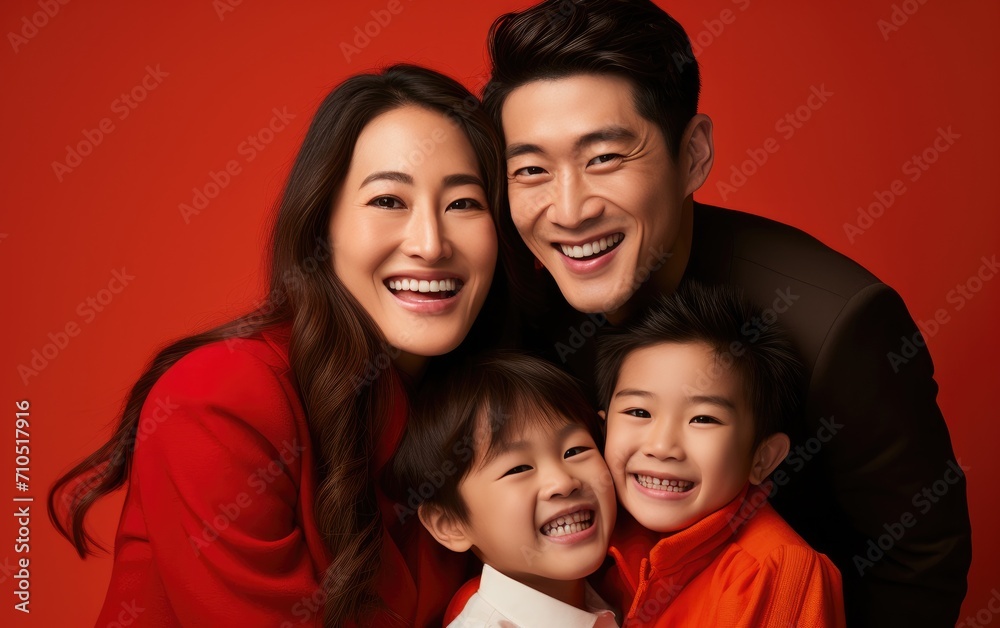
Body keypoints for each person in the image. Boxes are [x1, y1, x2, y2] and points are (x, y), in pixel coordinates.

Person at [481, 1, 971, 625]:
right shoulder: (512, 291)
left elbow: (920, 559)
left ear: (693, 154)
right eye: (531, 169)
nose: (569, 209)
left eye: (604, 157)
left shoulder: (838, 327)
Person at [47, 64, 505, 627]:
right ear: (323, 226)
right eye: (388, 201)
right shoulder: (221, 397)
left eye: (463, 204)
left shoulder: (488, 410)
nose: (431, 244)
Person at [594, 282, 844, 626]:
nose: (662, 446)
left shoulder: (778, 570)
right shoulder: (598, 532)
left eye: (703, 418)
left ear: (763, 459)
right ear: (603, 430)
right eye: (639, 412)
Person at [392, 352, 619, 628]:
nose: (562, 482)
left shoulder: (620, 594)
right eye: (518, 469)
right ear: (450, 524)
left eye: (575, 450)